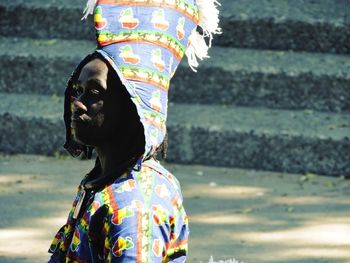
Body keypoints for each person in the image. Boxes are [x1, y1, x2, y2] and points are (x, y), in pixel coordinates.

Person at [48, 0, 221, 262]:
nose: (78, 104)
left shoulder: (135, 207)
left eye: (94, 93)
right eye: (77, 90)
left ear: (132, 107)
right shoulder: (107, 179)